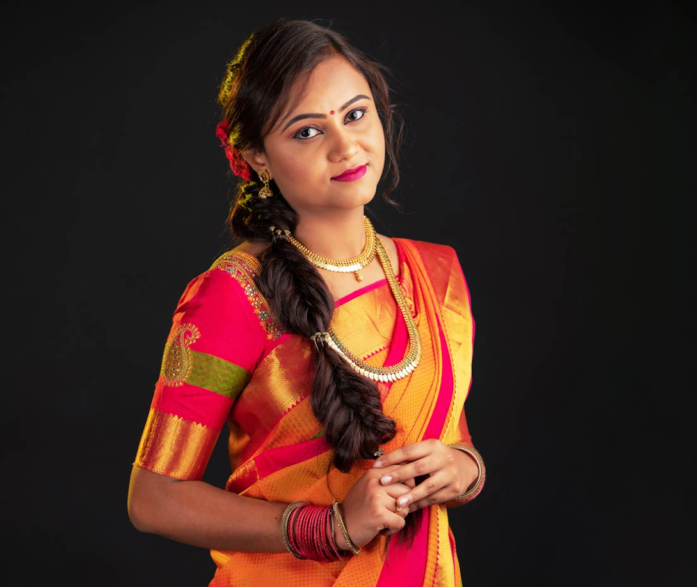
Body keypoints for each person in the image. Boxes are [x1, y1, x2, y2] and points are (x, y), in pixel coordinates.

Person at [127, 18, 484, 587]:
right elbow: (153, 499)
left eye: (355, 113)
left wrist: (464, 470)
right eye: (307, 132)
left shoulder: (434, 273)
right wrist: (331, 527)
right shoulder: (233, 295)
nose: (347, 146)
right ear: (257, 157)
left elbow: (448, 435)